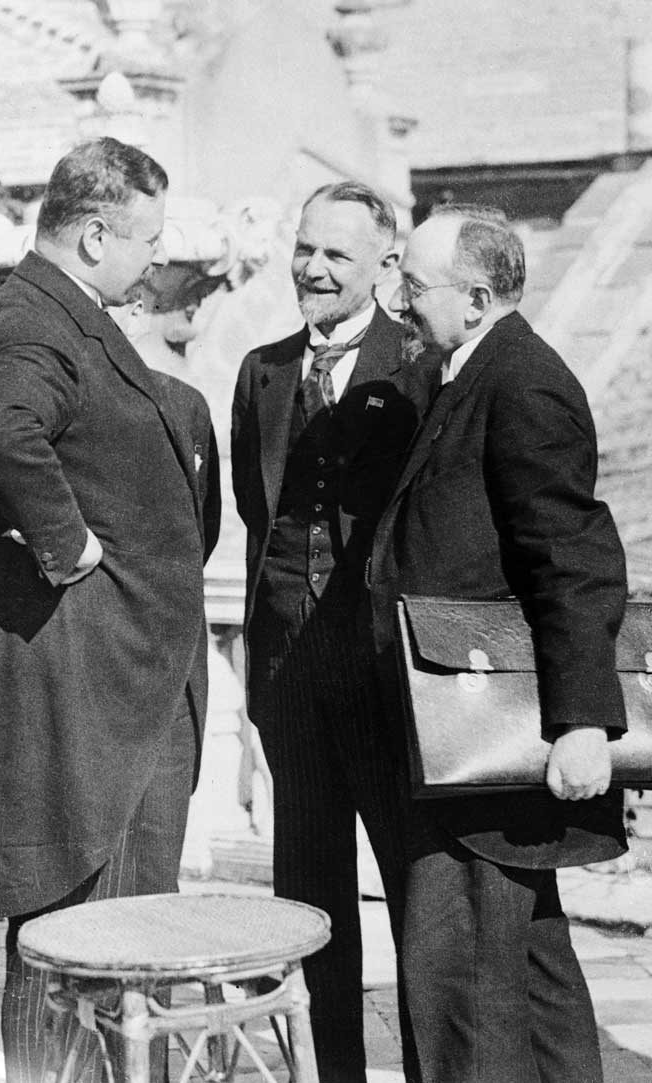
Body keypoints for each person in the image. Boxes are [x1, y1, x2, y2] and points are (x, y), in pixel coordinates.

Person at [0, 136, 206, 1081]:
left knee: (121, 940)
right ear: (92, 237)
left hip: (113, 690)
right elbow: (2, 429)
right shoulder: (32, 323)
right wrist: (68, 543)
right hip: (85, 695)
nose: (157, 259)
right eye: (148, 240)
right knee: (83, 941)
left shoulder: (59, 315)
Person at [367, 207, 628, 1080]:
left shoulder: (523, 383)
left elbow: (573, 559)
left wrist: (584, 721)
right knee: (528, 967)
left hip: (488, 736)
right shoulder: (464, 372)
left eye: (414, 286)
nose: (399, 301)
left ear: (476, 298)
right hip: (459, 730)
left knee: (461, 980)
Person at [230, 180, 430, 1080]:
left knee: (417, 893)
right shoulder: (262, 371)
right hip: (290, 678)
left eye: (336, 254)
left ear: (385, 264)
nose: (312, 268)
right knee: (309, 896)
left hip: (384, 680)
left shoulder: (420, 364)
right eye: (304, 248)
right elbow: (258, 508)